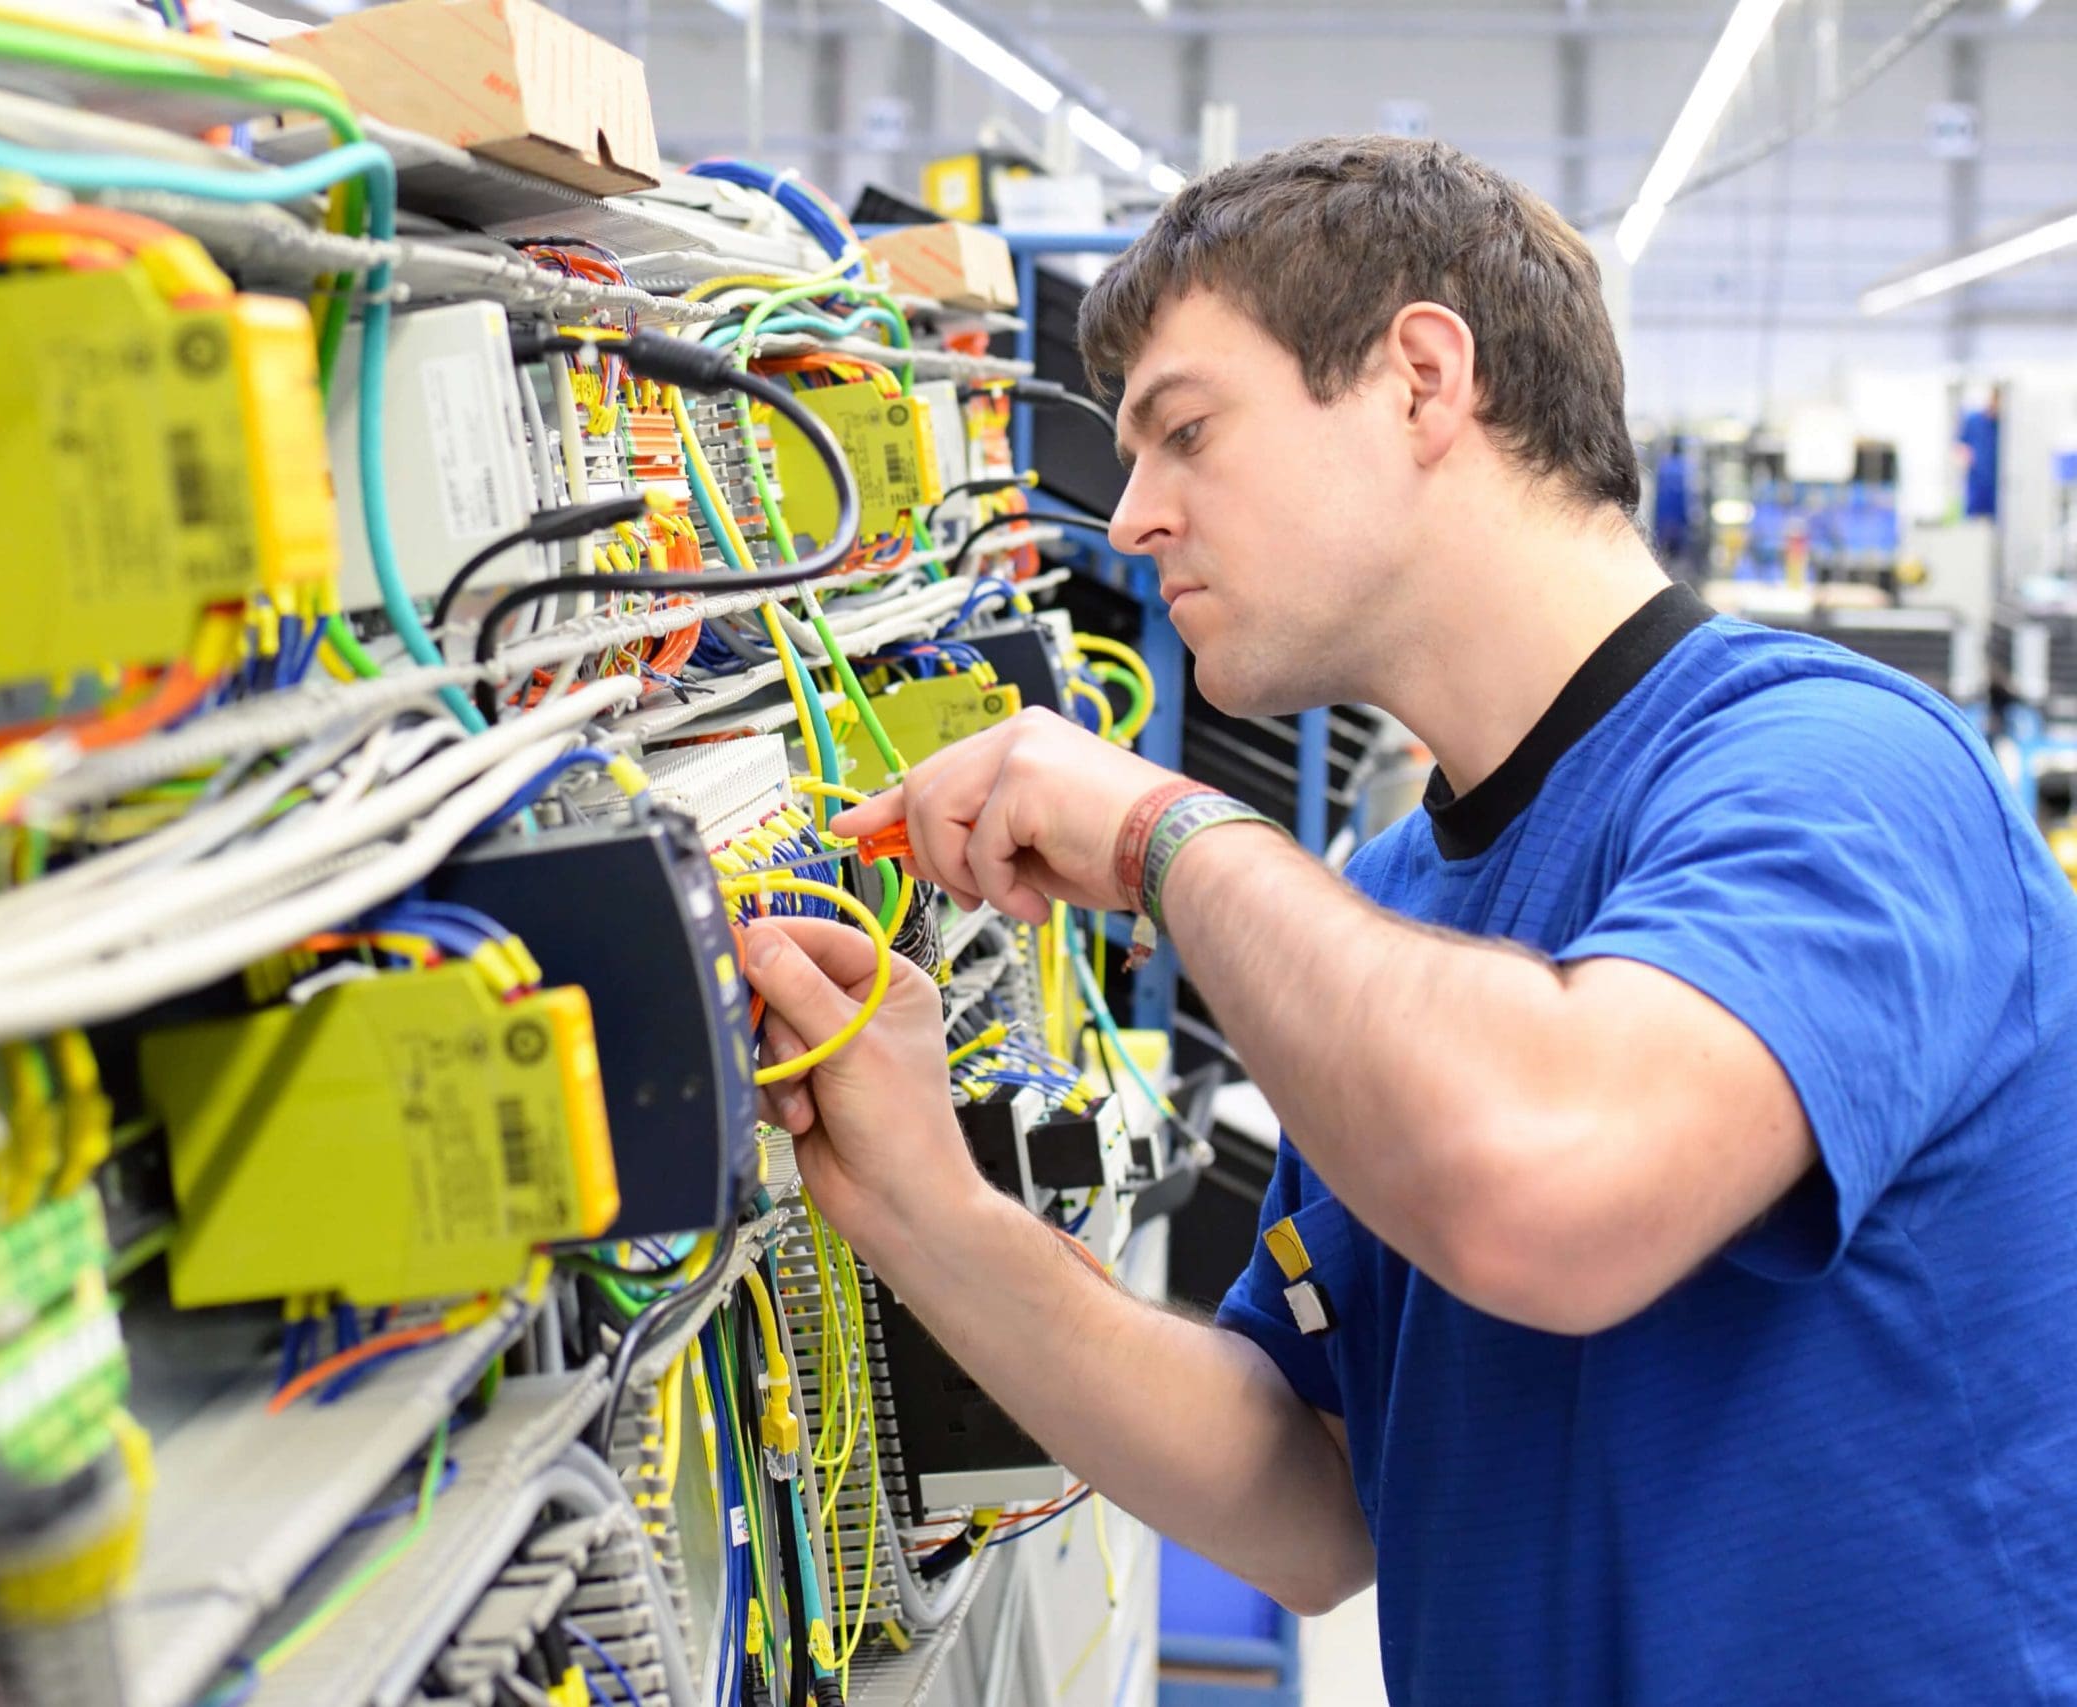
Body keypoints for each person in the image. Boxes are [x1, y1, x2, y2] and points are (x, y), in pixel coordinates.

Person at [740, 136, 2077, 1706]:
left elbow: (1553, 1189)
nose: (1135, 519)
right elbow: (1310, 1498)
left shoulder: (1836, 772)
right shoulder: (1386, 908)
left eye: (1186, 433)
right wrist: (925, 1208)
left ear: (1422, 381)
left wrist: (1168, 830)